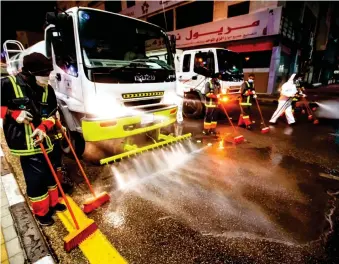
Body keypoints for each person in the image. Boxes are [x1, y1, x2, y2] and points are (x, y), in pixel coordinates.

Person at [1, 52, 66, 226]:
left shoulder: (47, 89)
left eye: (49, 73)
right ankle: (42, 213)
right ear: (28, 72)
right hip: (24, 142)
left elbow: (52, 114)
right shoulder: (8, 84)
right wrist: (13, 113)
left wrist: (43, 127)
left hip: (45, 139)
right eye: (44, 74)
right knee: (36, 180)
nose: (48, 78)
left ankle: (53, 204)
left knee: (51, 173)